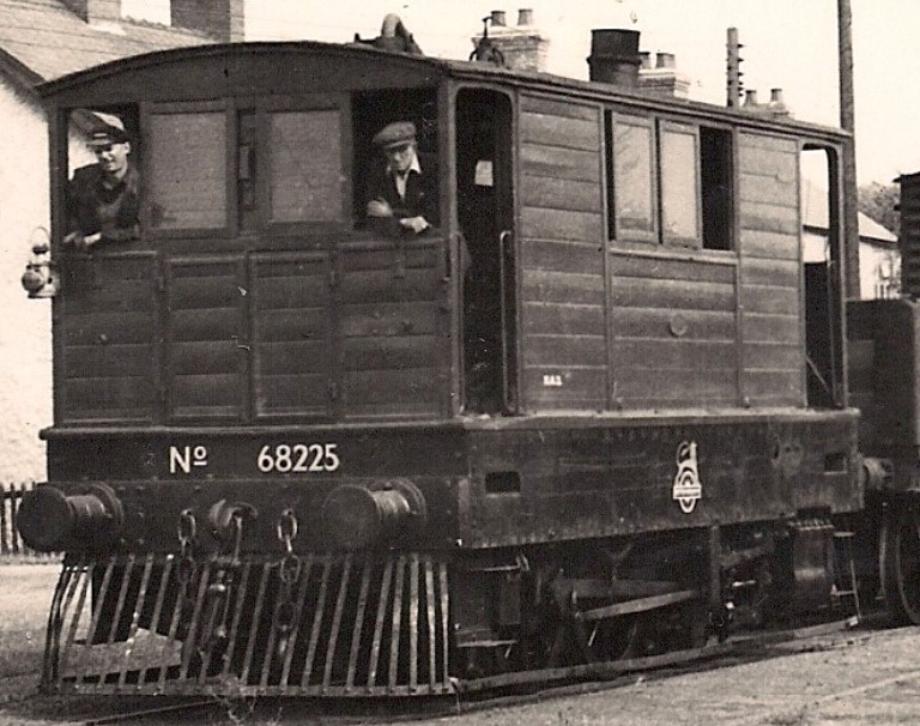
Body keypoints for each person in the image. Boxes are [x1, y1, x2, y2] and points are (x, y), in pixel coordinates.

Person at [65, 111, 140, 251]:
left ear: (126, 148)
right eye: (98, 151)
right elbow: (69, 215)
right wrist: (75, 234)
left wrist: (103, 236)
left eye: (108, 149)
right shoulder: (83, 179)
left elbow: (143, 229)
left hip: (130, 258)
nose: (104, 156)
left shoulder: (142, 183)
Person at [366, 121, 438, 234]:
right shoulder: (378, 171)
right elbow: (374, 215)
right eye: (391, 152)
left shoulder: (435, 166)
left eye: (402, 149)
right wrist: (406, 221)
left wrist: (391, 214)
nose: (397, 158)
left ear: (414, 146)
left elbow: (437, 213)